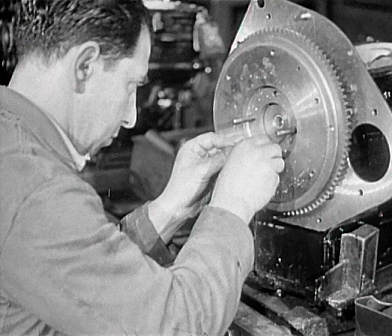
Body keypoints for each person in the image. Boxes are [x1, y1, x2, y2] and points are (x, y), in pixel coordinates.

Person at [0, 1, 284, 335]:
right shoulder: (37, 190)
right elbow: (178, 324)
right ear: (85, 65)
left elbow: (83, 278)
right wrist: (233, 206)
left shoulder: (14, 149)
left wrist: (170, 207)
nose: (131, 117)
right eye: (132, 84)